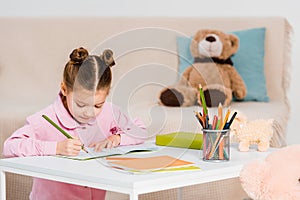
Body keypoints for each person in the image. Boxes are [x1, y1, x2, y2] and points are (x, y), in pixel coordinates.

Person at [3, 47, 147, 200]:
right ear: (64, 89)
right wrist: (56, 148)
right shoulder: (46, 119)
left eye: (98, 105)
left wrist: (117, 138)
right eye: (81, 104)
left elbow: (141, 131)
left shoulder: (109, 113)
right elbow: (10, 146)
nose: (90, 113)